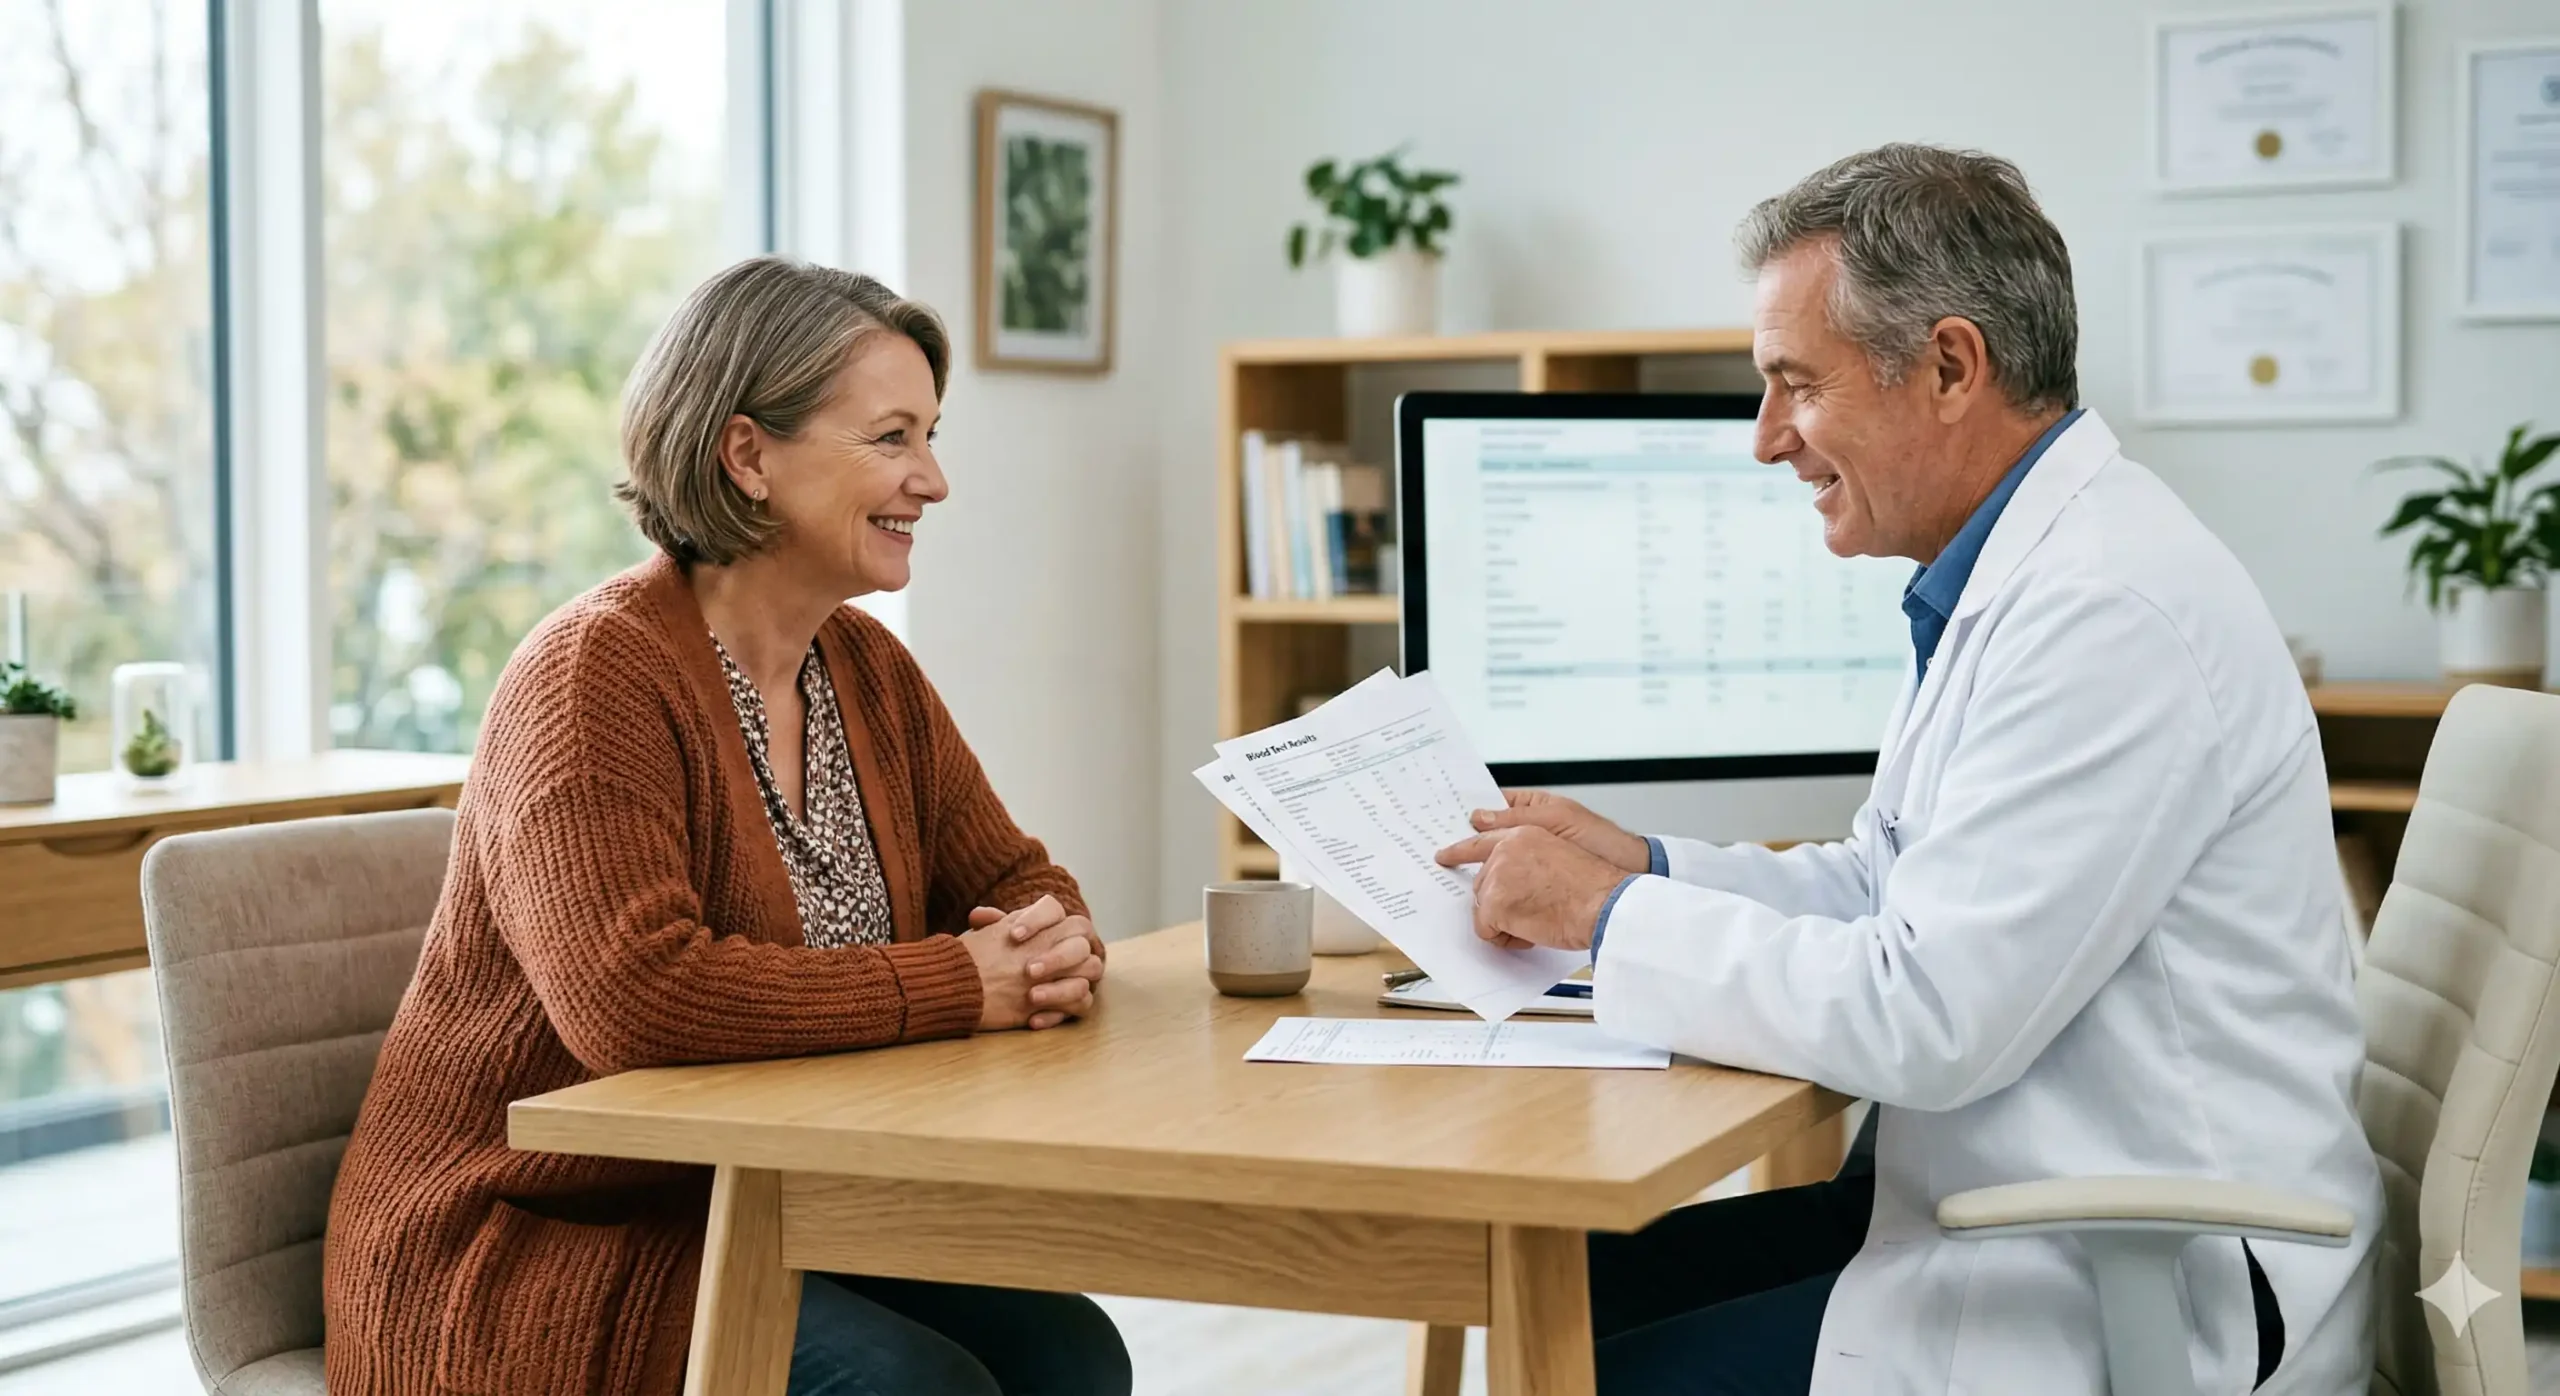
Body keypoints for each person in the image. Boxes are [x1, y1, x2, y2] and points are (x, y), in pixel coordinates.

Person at [1438, 145, 2380, 1395]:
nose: (1765, 440)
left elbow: (1925, 1015)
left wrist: (1604, 918)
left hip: (2135, 1271)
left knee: (1569, 1362)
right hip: (2013, 1209)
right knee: (1541, 1295)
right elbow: (1889, 879)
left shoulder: (2107, 610)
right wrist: (1649, 864)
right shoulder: (2014, 573)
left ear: (1948, 365)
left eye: (1794, 385)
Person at [324, 257, 1133, 1396]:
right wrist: (964, 981)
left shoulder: (867, 670)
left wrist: (1045, 952)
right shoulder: (592, 675)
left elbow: (1023, 881)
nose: (934, 480)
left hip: (759, 1199)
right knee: (912, 1389)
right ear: (747, 453)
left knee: (1072, 1354)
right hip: (530, 1239)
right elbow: (636, 996)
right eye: (892, 437)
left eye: (931, 435)